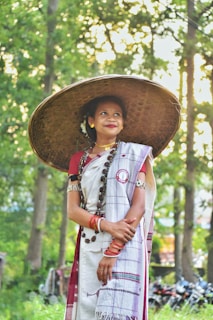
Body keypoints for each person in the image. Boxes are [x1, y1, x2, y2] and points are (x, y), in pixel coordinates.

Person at [28, 75, 181, 320]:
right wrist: (106, 225)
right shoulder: (78, 160)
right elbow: (73, 210)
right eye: (104, 114)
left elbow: (138, 205)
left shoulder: (135, 155)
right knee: (89, 311)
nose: (111, 118)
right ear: (90, 121)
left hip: (126, 245)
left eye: (117, 114)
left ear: (123, 123)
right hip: (91, 245)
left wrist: (114, 249)